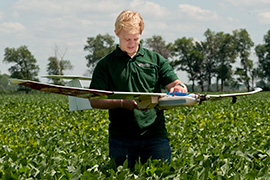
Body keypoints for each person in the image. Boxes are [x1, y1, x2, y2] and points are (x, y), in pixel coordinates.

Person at [89, 10, 187, 169]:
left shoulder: (155, 59)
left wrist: (179, 87)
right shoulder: (105, 65)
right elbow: (94, 100)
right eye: (127, 39)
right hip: (122, 138)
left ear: (141, 33)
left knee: (162, 174)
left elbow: (175, 83)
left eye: (136, 38)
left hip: (156, 135)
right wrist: (122, 103)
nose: (132, 43)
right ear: (116, 33)